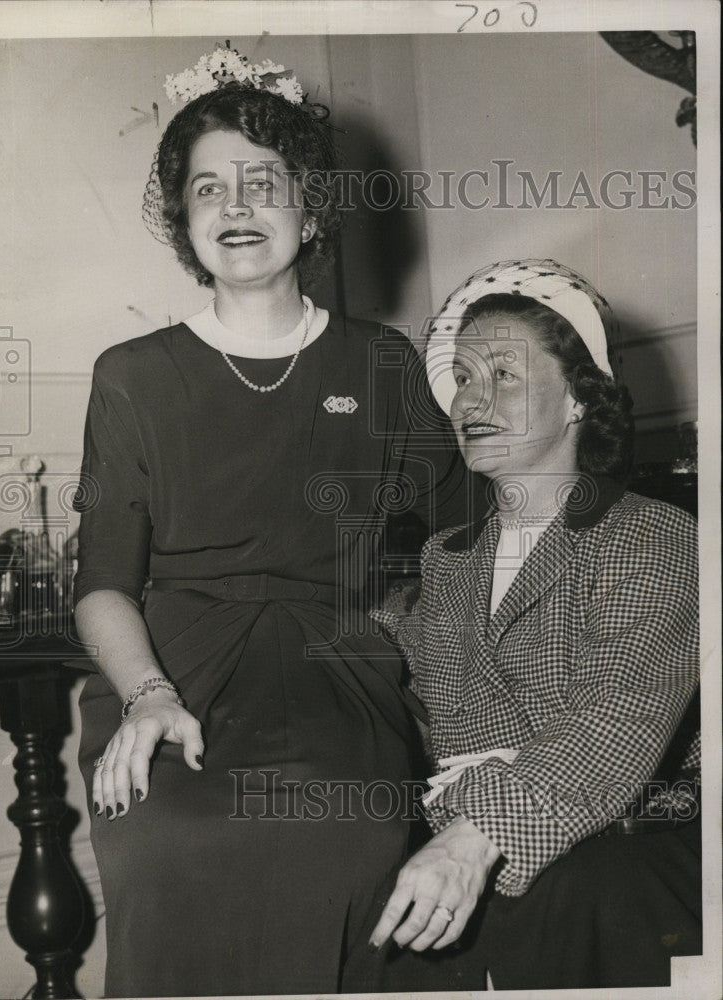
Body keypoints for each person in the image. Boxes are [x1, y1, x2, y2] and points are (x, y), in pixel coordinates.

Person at [72, 44, 470, 998]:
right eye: (209, 189)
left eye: (263, 182)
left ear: (312, 205)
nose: (236, 208)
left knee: (348, 839)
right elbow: (101, 588)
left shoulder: (381, 361)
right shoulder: (131, 376)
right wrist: (148, 699)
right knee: (169, 842)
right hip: (173, 672)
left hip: (337, 668)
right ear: (183, 221)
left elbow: (461, 537)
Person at [367, 259, 701, 990]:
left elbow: (615, 724)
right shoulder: (448, 561)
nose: (470, 400)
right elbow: (412, 693)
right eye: (461, 377)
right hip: (483, 841)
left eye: (504, 376)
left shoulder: (653, 538)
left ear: (580, 400)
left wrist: (475, 835)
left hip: (633, 844)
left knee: (573, 893)